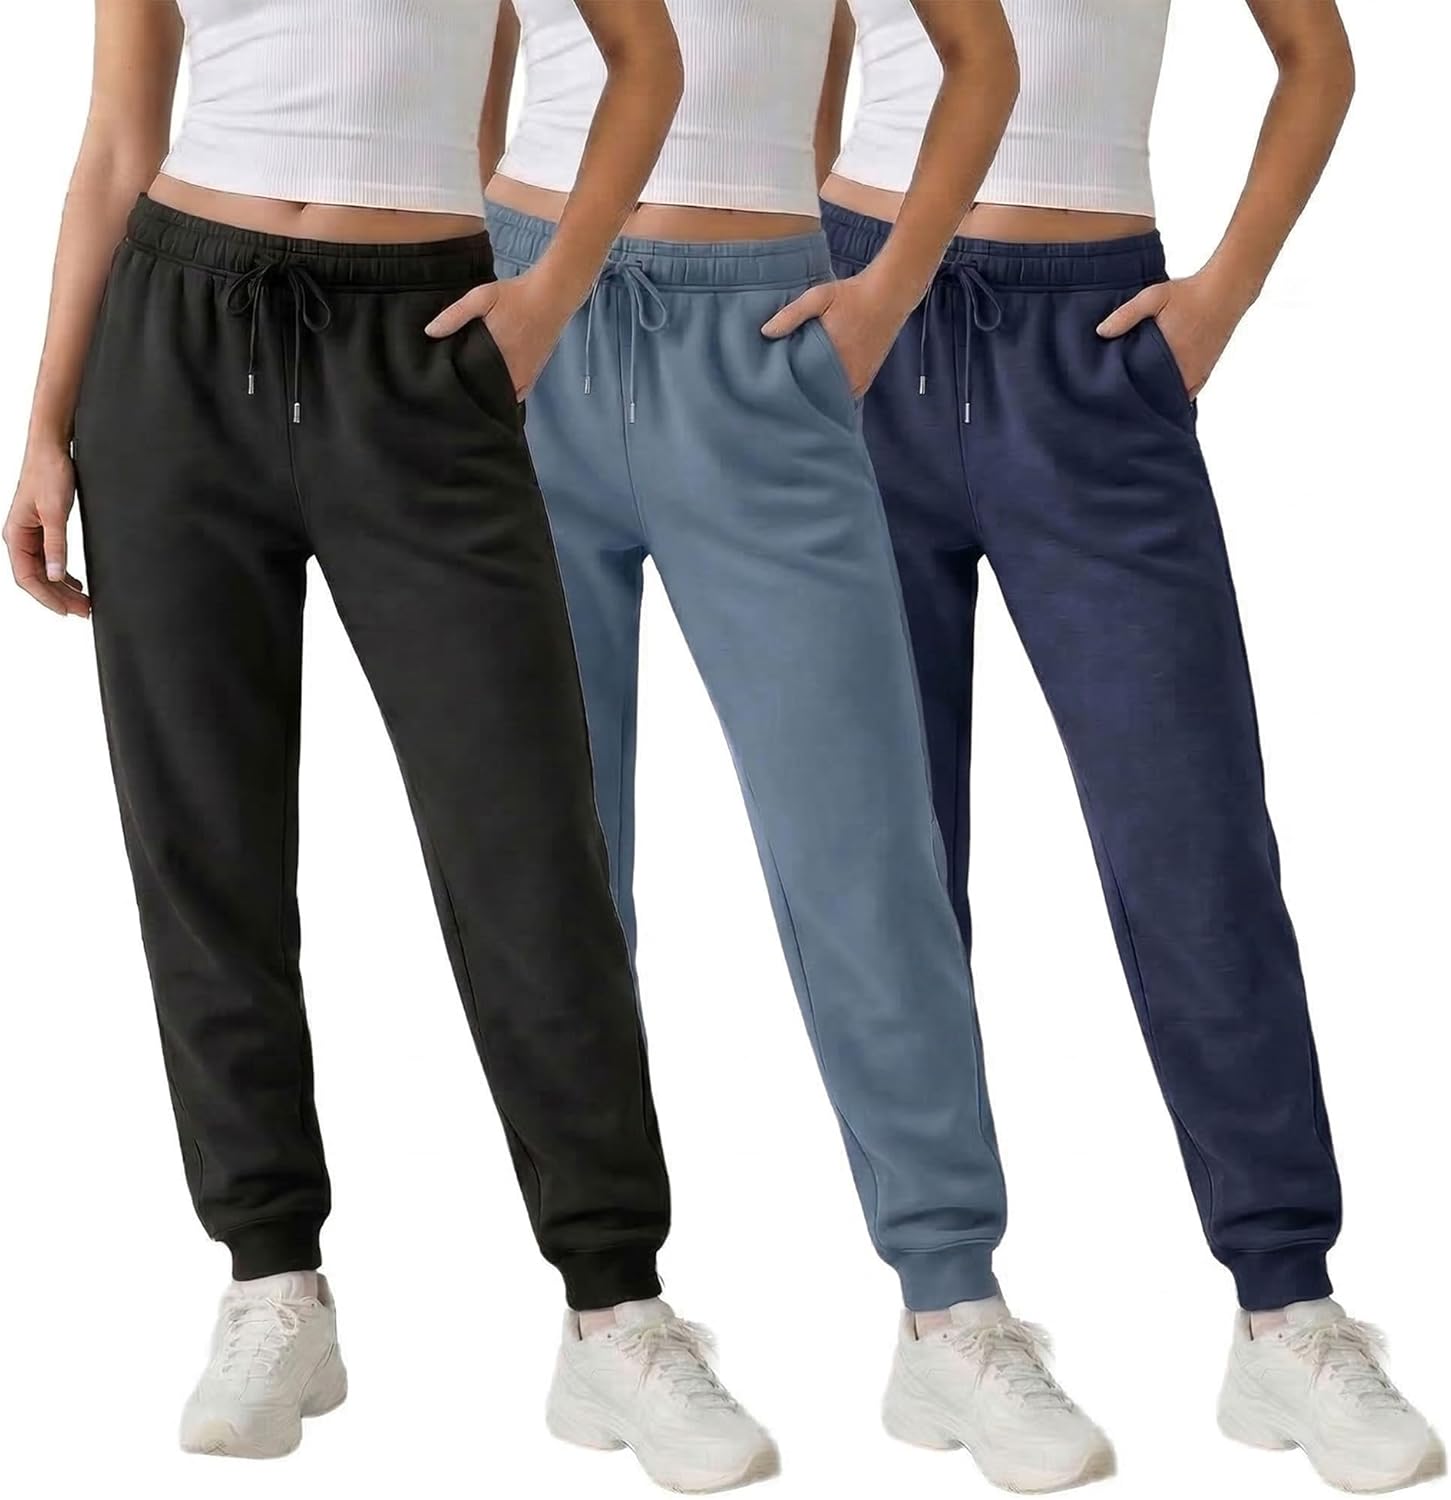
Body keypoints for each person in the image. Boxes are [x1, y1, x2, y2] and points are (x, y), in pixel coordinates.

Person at [1, 0, 729, 1472]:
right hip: (173, 346)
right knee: (203, 845)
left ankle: (616, 1307)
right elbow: (119, 143)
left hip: (420, 347)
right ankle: (271, 1280)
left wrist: (549, 293)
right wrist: (48, 423)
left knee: (527, 845)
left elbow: (645, 58)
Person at [475, 1, 1115, 1491]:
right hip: (526, 317)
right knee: (561, 860)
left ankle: (951, 1304)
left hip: (755, 333)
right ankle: (607, 1314)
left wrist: (883, 289)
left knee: (865, 848)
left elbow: (978, 57)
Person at [818, 0, 1441, 1492]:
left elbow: (1317, 58)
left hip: (1091, 346)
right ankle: (945, 1311)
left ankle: (1286, 1304)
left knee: (1195, 842)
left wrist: (1218, 297)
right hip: (860, 312)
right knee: (895, 858)